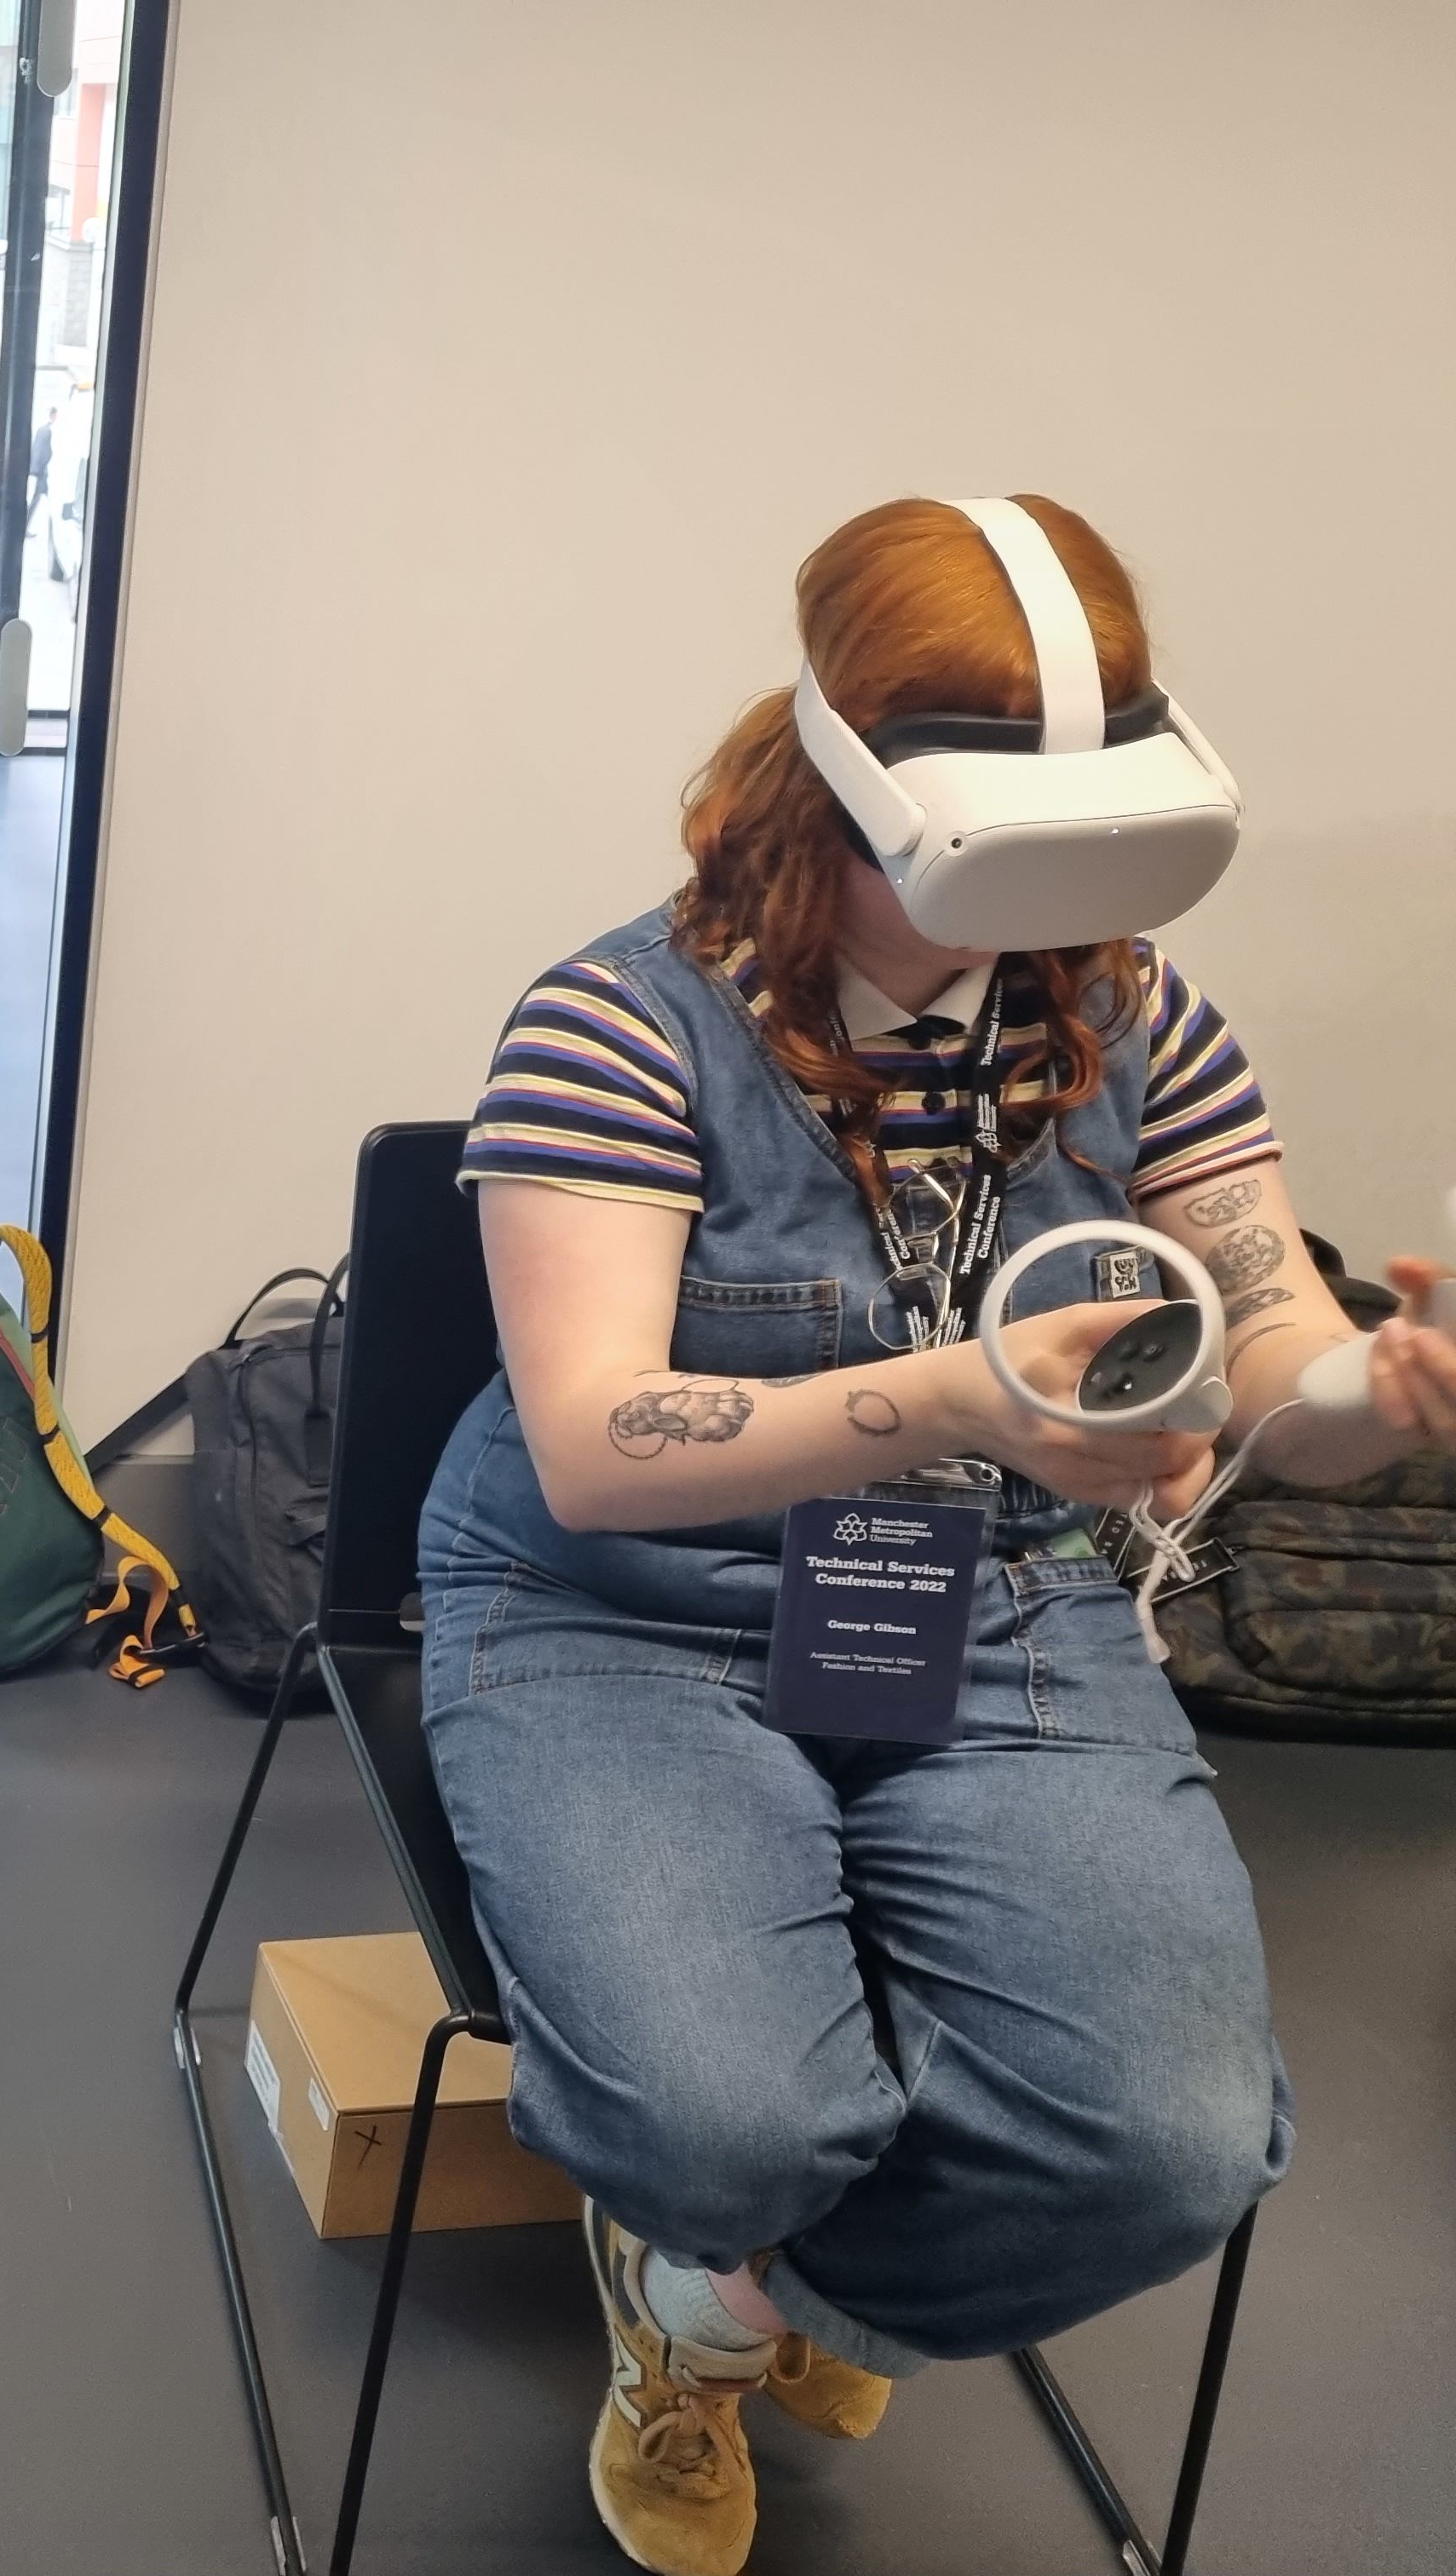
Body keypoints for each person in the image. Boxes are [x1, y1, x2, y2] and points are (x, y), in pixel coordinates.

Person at [427, 494, 1453, 2576]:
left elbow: (1274, 1357)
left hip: (986, 1599)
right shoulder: (618, 1028)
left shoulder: (1129, 1016)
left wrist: (1385, 1392)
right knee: (729, 2118)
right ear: (856, 773)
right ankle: (714, 2224)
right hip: (627, 1613)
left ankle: (719, 2307)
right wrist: (965, 1398)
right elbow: (601, 1448)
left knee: (1167, 2151)